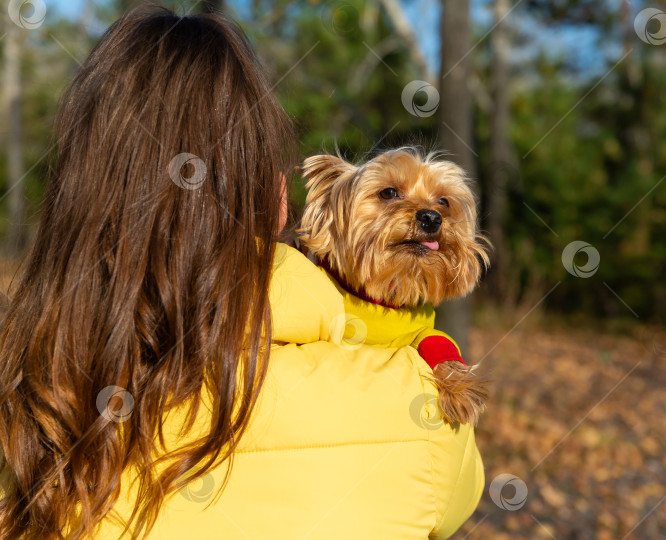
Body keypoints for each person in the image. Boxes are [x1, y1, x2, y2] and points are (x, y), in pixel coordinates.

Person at [0, 6, 483, 540]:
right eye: (389, 194)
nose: (422, 210)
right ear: (282, 203)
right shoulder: (423, 410)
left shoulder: (28, 397)